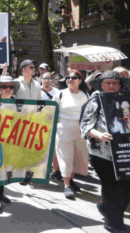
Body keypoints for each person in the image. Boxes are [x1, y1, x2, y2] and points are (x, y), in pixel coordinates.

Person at [80, 70, 130, 233]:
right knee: (112, 188)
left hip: (124, 152)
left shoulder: (126, 100)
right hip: (102, 153)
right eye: (107, 83)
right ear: (101, 85)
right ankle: (113, 224)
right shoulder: (96, 99)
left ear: (120, 85)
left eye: (114, 83)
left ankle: (104, 207)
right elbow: (85, 125)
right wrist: (100, 135)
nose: (110, 86)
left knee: (126, 189)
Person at [53, 70, 89, 199]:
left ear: (80, 80)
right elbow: (52, 112)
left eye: (74, 77)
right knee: (65, 156)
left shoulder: (85, 95)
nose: (70, 79)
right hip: (63, 128)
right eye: (67, 77)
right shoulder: (60, 94)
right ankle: (67, 185)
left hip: (80, 129)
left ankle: (71, 180)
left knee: (76, 157)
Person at [0, 76, 20, 208]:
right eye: (4, 86)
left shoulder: (20, 103)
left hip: (12, 141)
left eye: (10, 87)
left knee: (5, 169)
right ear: (0, 88)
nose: (8, 89)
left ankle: (0, 194)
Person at [40, 72, 63, 182]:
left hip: (54, 123)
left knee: (54, 147)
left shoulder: (58, 92)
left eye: (50, 78)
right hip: (40, 123)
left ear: (53, 81)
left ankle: (56, 170)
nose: (48, 80)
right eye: (45, 78)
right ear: (41, 79)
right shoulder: (37, 91)